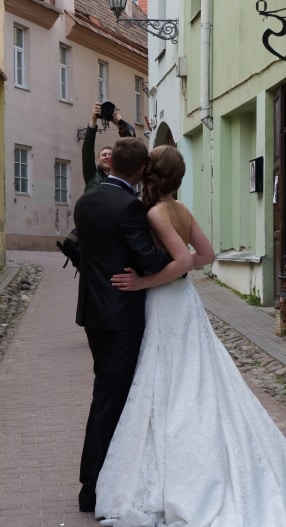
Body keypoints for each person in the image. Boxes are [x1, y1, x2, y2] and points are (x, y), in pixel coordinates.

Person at [95, 145, 286, 527]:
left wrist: (144, 280)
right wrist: (174, 267)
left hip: (165, 300)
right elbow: (207, 254)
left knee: (169, 376)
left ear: (152, 170)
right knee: (196, 374)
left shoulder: (154, 212)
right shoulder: (181, 209)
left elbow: (183, 262)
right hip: (186, 300)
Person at [74, 139, 193, 514]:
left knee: (106, 393)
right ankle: (92, 487)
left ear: (111, 164)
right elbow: (147, 258)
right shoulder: (129, 207)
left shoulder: (86, 200)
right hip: (121, 315)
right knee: (111, 399)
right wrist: (178, 254)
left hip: (92, 313)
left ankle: (103, 479)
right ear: (141, 171)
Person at [82, 102, 135, 192]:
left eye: (110, 154)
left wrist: (120, 125)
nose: (107, 157)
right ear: (97, 161)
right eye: (103, 155)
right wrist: (93, 119)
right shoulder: (91, 176)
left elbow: (132, 149)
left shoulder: (122, 177)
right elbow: (87, 150)